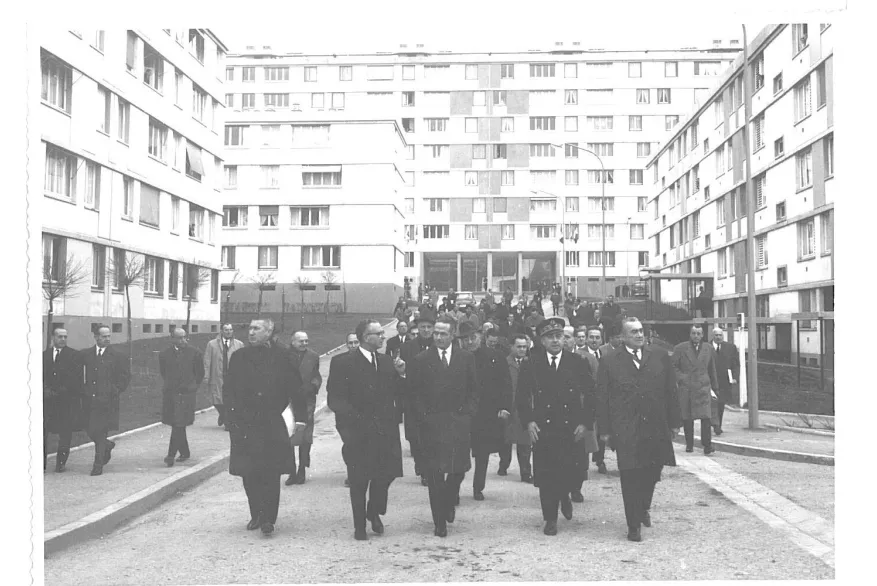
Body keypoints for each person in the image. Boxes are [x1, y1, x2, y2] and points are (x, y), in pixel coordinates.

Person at [597, 317, 681, 542]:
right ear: (623, 336)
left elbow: (671, 391)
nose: (639, 335)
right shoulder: (610, 360)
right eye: (633, 332)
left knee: (652, 472)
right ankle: (633, 524)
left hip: (655, 426)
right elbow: (602, 397)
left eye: (641, 331)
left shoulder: (660, 356)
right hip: (626, 428)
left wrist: (675, 422)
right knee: (630, 475)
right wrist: (604, 430)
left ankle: (643, 506)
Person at [225, 319, 307, 535]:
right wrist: (230, 419)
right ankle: (256, 513)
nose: (251, 332)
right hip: (245, 423)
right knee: (248, 472)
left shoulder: (283, 356)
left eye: (256, 328)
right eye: (250, 328)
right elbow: (229, 389)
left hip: (271, 422)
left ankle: (269, 518)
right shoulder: (239, 357)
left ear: (269, 332)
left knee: (271, 471)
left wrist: (300, 420)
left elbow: (296, 390)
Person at [327, 319, 405, 541]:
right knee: (359, 482)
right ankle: (359, 526)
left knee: (387, 474)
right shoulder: (342, 362)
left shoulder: (386, 361)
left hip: (385, 431)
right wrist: (352, 426)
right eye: (378, 333)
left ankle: (374, 510)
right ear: (364, 337)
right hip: (358, 433)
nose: (383, 337)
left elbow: (397, 393)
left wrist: (401, 374)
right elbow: (335, 399)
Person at [516, 318, 594, 536]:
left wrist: (585, 422)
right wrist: (529, 421)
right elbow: (522, 396)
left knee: (570, 471)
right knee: (546, 474)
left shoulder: (577, 362)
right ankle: (550, 518)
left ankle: (564, 496)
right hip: (544, 427)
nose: (555, 341)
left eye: (559, 336)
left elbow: (590, 394)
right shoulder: (532, 364)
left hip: (571, 427)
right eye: (550, 337)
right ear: (542, 341)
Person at [402, 316, 478, 537]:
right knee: (434, 475)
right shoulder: (421, 359)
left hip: (458, 423)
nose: (438, 337)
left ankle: (449, 499)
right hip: (432, 426)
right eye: (436, 333)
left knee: (457, 471)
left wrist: (468, 413)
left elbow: (474, 389)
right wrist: (423, 417)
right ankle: (439, 521)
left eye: (443, 333)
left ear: (452, 335)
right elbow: (413, 393)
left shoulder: (466, 358)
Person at [458, 322, 512, 502]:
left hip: (485, 413)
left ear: (480, 336)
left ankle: (478, 487)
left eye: (473, 337)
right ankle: (454, 488)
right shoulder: (456, 358)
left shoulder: (495, 356)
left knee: (482, 454)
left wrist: (504, 407)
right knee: (459, 453)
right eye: (465, 339)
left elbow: (505, 383)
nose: (470, 341)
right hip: (461, 414)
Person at [81, 325, 131, 476]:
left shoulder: (118, 355)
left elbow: (125, 377)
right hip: (90, 400)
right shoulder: (86, 354)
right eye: (104, 336)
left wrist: (115, 390)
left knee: (101, 431)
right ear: (96, 337)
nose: (107, 339)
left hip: (107, 400)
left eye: (109, 336)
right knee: (90, 429)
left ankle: (98, 465)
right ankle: (107, 446)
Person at [159, 329, 205, 467]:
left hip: (186, 394)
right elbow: (164, 373)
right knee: (177, 423)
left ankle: (170, 455)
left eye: (184, 337)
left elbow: (200, 374)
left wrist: (192, 387)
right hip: (171, 393)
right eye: (179, 338)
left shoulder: (195, 353)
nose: (183, 340)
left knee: (178, 423)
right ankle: (185, 452)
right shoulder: (164, 354)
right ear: (172, 338)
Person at [399, 315, 436, 485]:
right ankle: (421, 466)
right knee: (415, 437)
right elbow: (403, 372)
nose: (426, 330)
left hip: (435, 399)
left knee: (432, 437)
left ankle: (429, 470)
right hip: (413, 398)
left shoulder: (440, 345)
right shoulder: (407, 347)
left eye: (429, 327)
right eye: (423, 327)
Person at [672, 324, 719, 455]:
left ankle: (707, 445)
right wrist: (682, 378)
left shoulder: (708, 348)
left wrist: (715, 387)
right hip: (687, 388)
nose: (696, 336)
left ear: (702, 335)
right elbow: (673, 366)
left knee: (706, 417)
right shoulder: (680, 348)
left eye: (698, 333)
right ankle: (689, 444)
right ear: (690, 334)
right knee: (688, 418)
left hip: (703, 386)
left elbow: (712, 368)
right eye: (693, 333)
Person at [286, 331, 323, 485]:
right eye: (301, 341)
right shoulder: (284, 356)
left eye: (306, 341)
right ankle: (291, 471)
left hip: (307, 400)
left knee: (305, 436)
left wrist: (313, 386)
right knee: (288, 434)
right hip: (288, 402)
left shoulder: (313, 356)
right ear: (293, 341)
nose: (304, 344)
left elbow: (316, 376)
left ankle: (302, 469)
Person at [43, 327, 82, 473]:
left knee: (65, 433)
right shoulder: (44, 355)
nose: (63, 339)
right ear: (53, 337)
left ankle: (61, 463)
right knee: (43, 432)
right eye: (60, 336)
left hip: (66, 401)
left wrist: (59, 391)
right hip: (47, 402)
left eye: (65, 337)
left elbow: (75, 378)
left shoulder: (74, 355)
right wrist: (45, 390)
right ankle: (41, 464)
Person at [500, 334, 533, 483]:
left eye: (524, 347)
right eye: (519, 346)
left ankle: (525, 472)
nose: (522, 350)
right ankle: (503, 464)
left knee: (525, 441)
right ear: (512, 347)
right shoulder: (504, 363)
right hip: (508, 406)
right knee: (505, 440)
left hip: (524, 407)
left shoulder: (531, 363)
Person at [204, 323, 245, 429]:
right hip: (217, 375)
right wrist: (206, 375)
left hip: (233, 377)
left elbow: (243, 361)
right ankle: (223, 414)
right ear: (221, 331)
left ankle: (228, 422)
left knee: (230, 399)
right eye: (226, 330)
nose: (228, 332)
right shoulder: (212, 344)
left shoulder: (239, 344)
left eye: (230, 329)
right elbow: (207, 360)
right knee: (217, 399)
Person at [580, 326, 608, 474]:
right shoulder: (580, 355)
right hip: (586, 400)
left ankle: (599, 459)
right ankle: (582, 464)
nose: (594, 340)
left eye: (597, 337)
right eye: (591, 337)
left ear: (601, 339)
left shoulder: (606, 355)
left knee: (601, 430)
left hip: (601, 399)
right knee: (587, 431)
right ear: (586, 338)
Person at [710, 327, 740, 436]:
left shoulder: (730, 348)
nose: (718, 337)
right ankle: (713, 423)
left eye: (720, 335)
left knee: (720, 404)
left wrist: (735, 377)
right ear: (712, 336)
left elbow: (735, 364)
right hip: (710, 380)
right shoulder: (706, 347)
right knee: (711, 403)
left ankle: (717, 425)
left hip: (723, 381)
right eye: (716, 335)